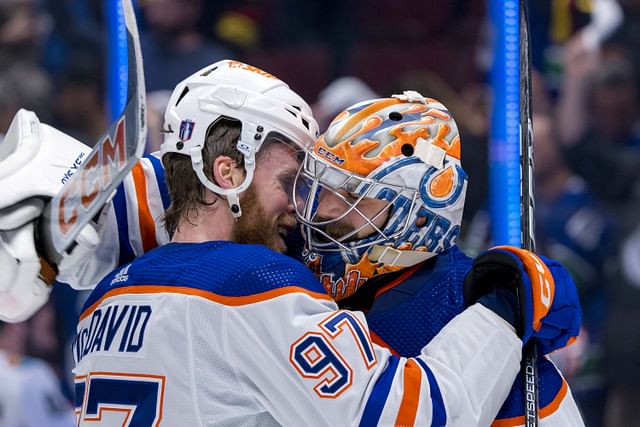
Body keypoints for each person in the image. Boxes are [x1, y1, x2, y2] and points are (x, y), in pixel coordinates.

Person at [0, 60, 580, 425]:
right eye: (290, 182)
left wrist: (71, 205)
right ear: (226, 172)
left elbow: (174, 195)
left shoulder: (107, 296)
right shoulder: (255, 287)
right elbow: (409, 416)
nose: (302, 213)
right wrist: (503, 308)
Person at [292, 93, 585, 426]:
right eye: (322, 186)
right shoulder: (309, 268)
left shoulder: (462, 309)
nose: (324, 208)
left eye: (353, 195)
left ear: (418, 216)